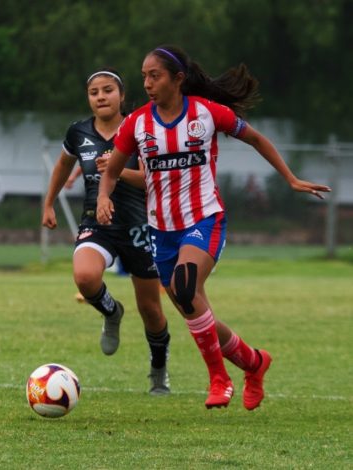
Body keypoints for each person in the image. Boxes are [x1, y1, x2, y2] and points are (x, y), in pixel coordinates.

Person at [96, 45, 331, 410]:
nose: (147, 83)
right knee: (196, 312)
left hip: (204, 219)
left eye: (154, 75)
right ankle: (254, 363)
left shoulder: (205, 113)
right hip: (161, 231)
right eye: (143, 76)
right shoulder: (137, 124)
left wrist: (291, 179)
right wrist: (103, 197)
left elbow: (255, 137)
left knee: (186, 286)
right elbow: (112, 170)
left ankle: (219, 379)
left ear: (178, 79)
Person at [42, 67, 171, 395]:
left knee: (152, 311)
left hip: (140, 226)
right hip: (97, 223)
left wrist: (117, 167)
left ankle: (159, 370)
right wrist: (48, 202)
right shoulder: (78, 132)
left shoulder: (141, 129)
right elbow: (62, 165)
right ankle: (111, 312)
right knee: (84, 277)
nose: (101, 96)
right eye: (94, 92)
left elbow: (152, 180)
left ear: (122, 95)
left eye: (108, 90)